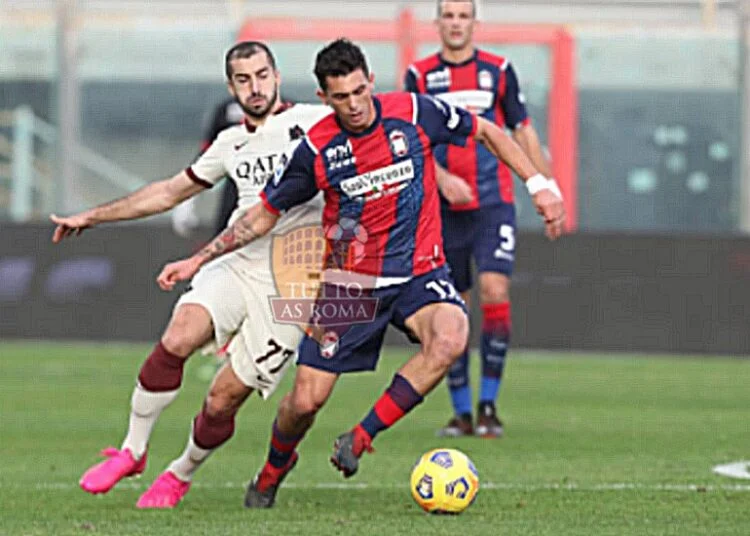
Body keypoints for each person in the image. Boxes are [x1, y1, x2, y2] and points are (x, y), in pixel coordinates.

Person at [157, 38, 564, 509]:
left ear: (370, 81)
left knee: (451, 336)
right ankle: (272, 470)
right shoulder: (316, 149)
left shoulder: (413, 111)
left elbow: (489, 132)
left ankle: (361, 437)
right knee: (305, 402)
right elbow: (261, 215)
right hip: (349, 285)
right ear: (324, 97)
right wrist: (199, 259)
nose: (354, 105)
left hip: (418, 272)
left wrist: (539, 186)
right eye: (341, 96)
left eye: (359, 91)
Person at [49, 41, 332, 508]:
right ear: (230, 86)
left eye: (262, 75)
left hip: (292, 285)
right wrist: (93, 216)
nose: (255, 87)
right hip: (236, 260)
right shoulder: (229, 143)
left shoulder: (317, 123)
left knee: (223, 399)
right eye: (244, 79)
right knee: (179, 336)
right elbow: (167, 193)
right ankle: (132, 451)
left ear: (277, 75)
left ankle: (179, 473)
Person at [404, 0, 559, 438]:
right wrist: (442, 177)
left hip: (494, 203)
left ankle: (488, 405)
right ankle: (461, 413)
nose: (455, 24)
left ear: (474, 23)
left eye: (462, 16)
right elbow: (411, 141)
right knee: (454, 309)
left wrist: (549, 189)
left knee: (494, 288)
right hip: (444, 211)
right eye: (448, 16)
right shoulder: (419, 76)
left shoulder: (499, 70)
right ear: (438, 24)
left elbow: (522, 130)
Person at [171, 96, 242, 238]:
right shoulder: (227, 111)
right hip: (236, 188)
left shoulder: (290, 112)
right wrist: (187, 198)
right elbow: (207, 156)